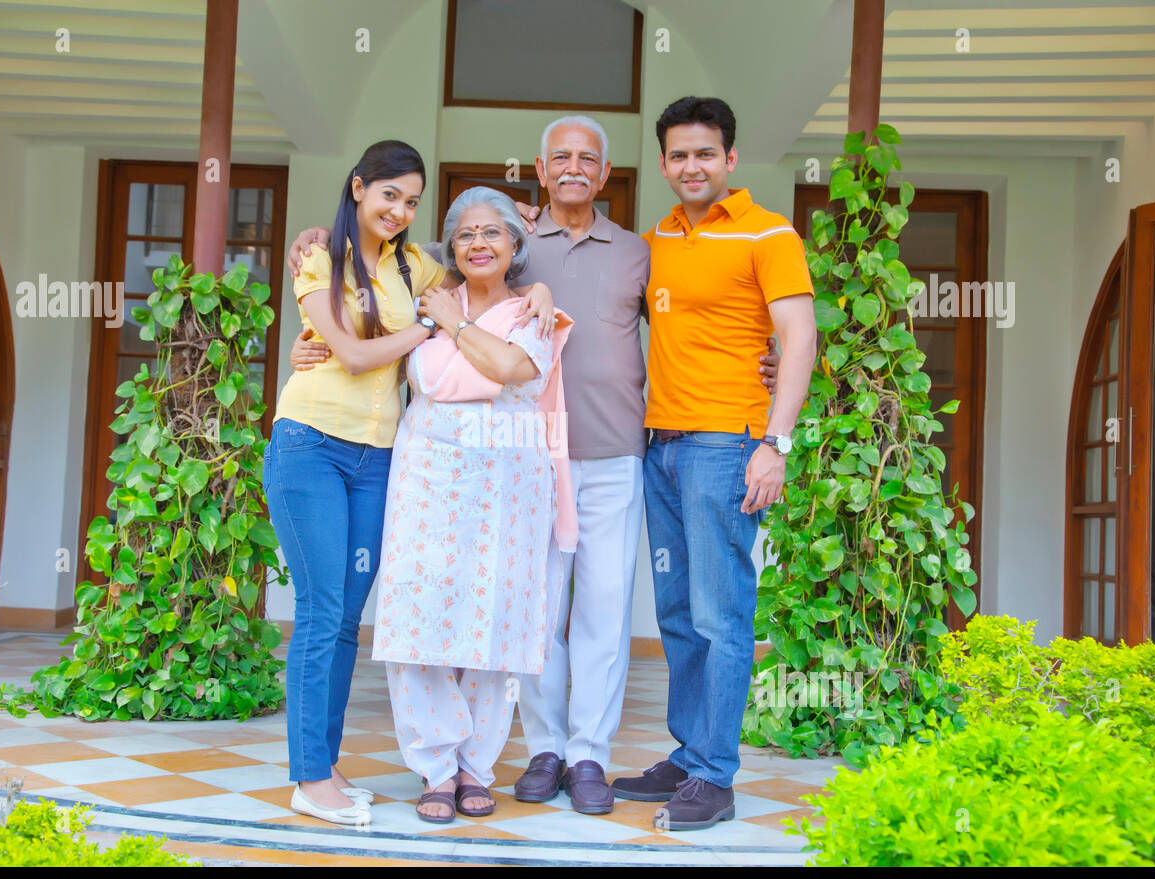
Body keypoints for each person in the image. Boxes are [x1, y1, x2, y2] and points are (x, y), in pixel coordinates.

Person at [288, 116, 781, 817]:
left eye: (588, 159)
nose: (574, 168)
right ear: (541, 174)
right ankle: (539, 748)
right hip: (491, 467)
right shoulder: (474, 253)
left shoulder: (640, 252)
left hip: (607, 449)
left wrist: (773, 360)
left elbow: (703, 319)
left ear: (605, 175)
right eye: (560, 159)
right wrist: (317, 240)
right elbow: (391, 248)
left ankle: (588, 755)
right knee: (525, 614)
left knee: (599, 612)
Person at [264, 141, 555, 827]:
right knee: (319, 611)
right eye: (388, 194)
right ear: (358, 187)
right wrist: (428, 326)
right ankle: (310, 776)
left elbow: (477, 249)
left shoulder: (414, 263)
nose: (399, 210)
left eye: (412, 201)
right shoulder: (320, 259)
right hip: (311, 444)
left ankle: (326, 767)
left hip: (379, 458)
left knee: (343, 622)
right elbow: (360, 355)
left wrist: (536, 283)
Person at [609, 96, 817, 830]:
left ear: (730, 159)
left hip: (726, 447)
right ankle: (689, 752)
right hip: (659, 447)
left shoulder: (769, 233)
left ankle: (716, 778)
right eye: (677, 155)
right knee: (675, 613)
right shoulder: (655, 239)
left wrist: (776, 443)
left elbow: (799, 340)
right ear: (663, 163)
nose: (690, 166)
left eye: (705, 153)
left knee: (720, 613)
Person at [371, 186, 574, 822]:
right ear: (451, 247)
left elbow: (516, 370)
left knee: (495, 621)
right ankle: (434, 764)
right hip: (428, 477)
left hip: (508, 481)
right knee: (418, 617)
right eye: (465, 234)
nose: (479, 243)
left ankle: (472, 768)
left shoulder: (532, 311)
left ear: (516, 244)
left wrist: (455, 332)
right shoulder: (422, 301)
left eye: (493, 232)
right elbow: (431, 379)